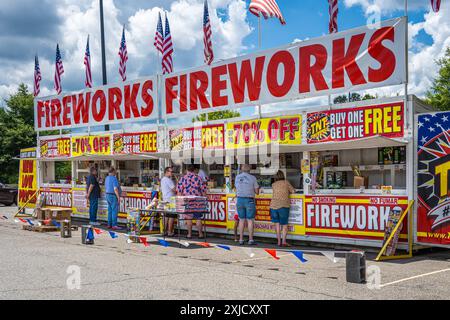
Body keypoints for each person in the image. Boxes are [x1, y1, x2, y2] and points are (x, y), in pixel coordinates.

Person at [177, 164, 207, 239]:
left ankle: (189, 234)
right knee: (198, 218)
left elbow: (179, 191)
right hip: (197, 200)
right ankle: (200, 234)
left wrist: (179, 202)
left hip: (187, 201)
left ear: (187, 170)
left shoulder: (183, 178)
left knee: (188, 218)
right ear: (194, 170)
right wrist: (204, 198)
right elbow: (203, 190)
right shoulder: (199, 178)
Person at [235, 164, 259, 245]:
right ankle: (250, 239)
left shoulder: (237, 177)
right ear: (250, 169)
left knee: (241, 220)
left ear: (241, 169)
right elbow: (257, 192)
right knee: (250, 220)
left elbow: (236, 188)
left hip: (239, 199)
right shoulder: (253, 178)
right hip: (249, 200)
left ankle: (241, 239)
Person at [270, 170, 295, 247]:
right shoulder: (286, 182)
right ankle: (284, 241)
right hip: (283, 206)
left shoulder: (273, 184)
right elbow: (293, 191)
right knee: (284, 225)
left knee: (277, 225)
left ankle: (278, 242)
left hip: (273, 206)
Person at [161, 167, 176, 237]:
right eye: (171, 171)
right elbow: (174, 190)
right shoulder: (168, 180)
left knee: (166, 216)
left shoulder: (163, 179)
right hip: (171, 200)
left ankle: (164, 231)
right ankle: (169, 232)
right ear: (167, 172)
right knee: (171, 216)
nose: (172, 173)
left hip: (165, 199)